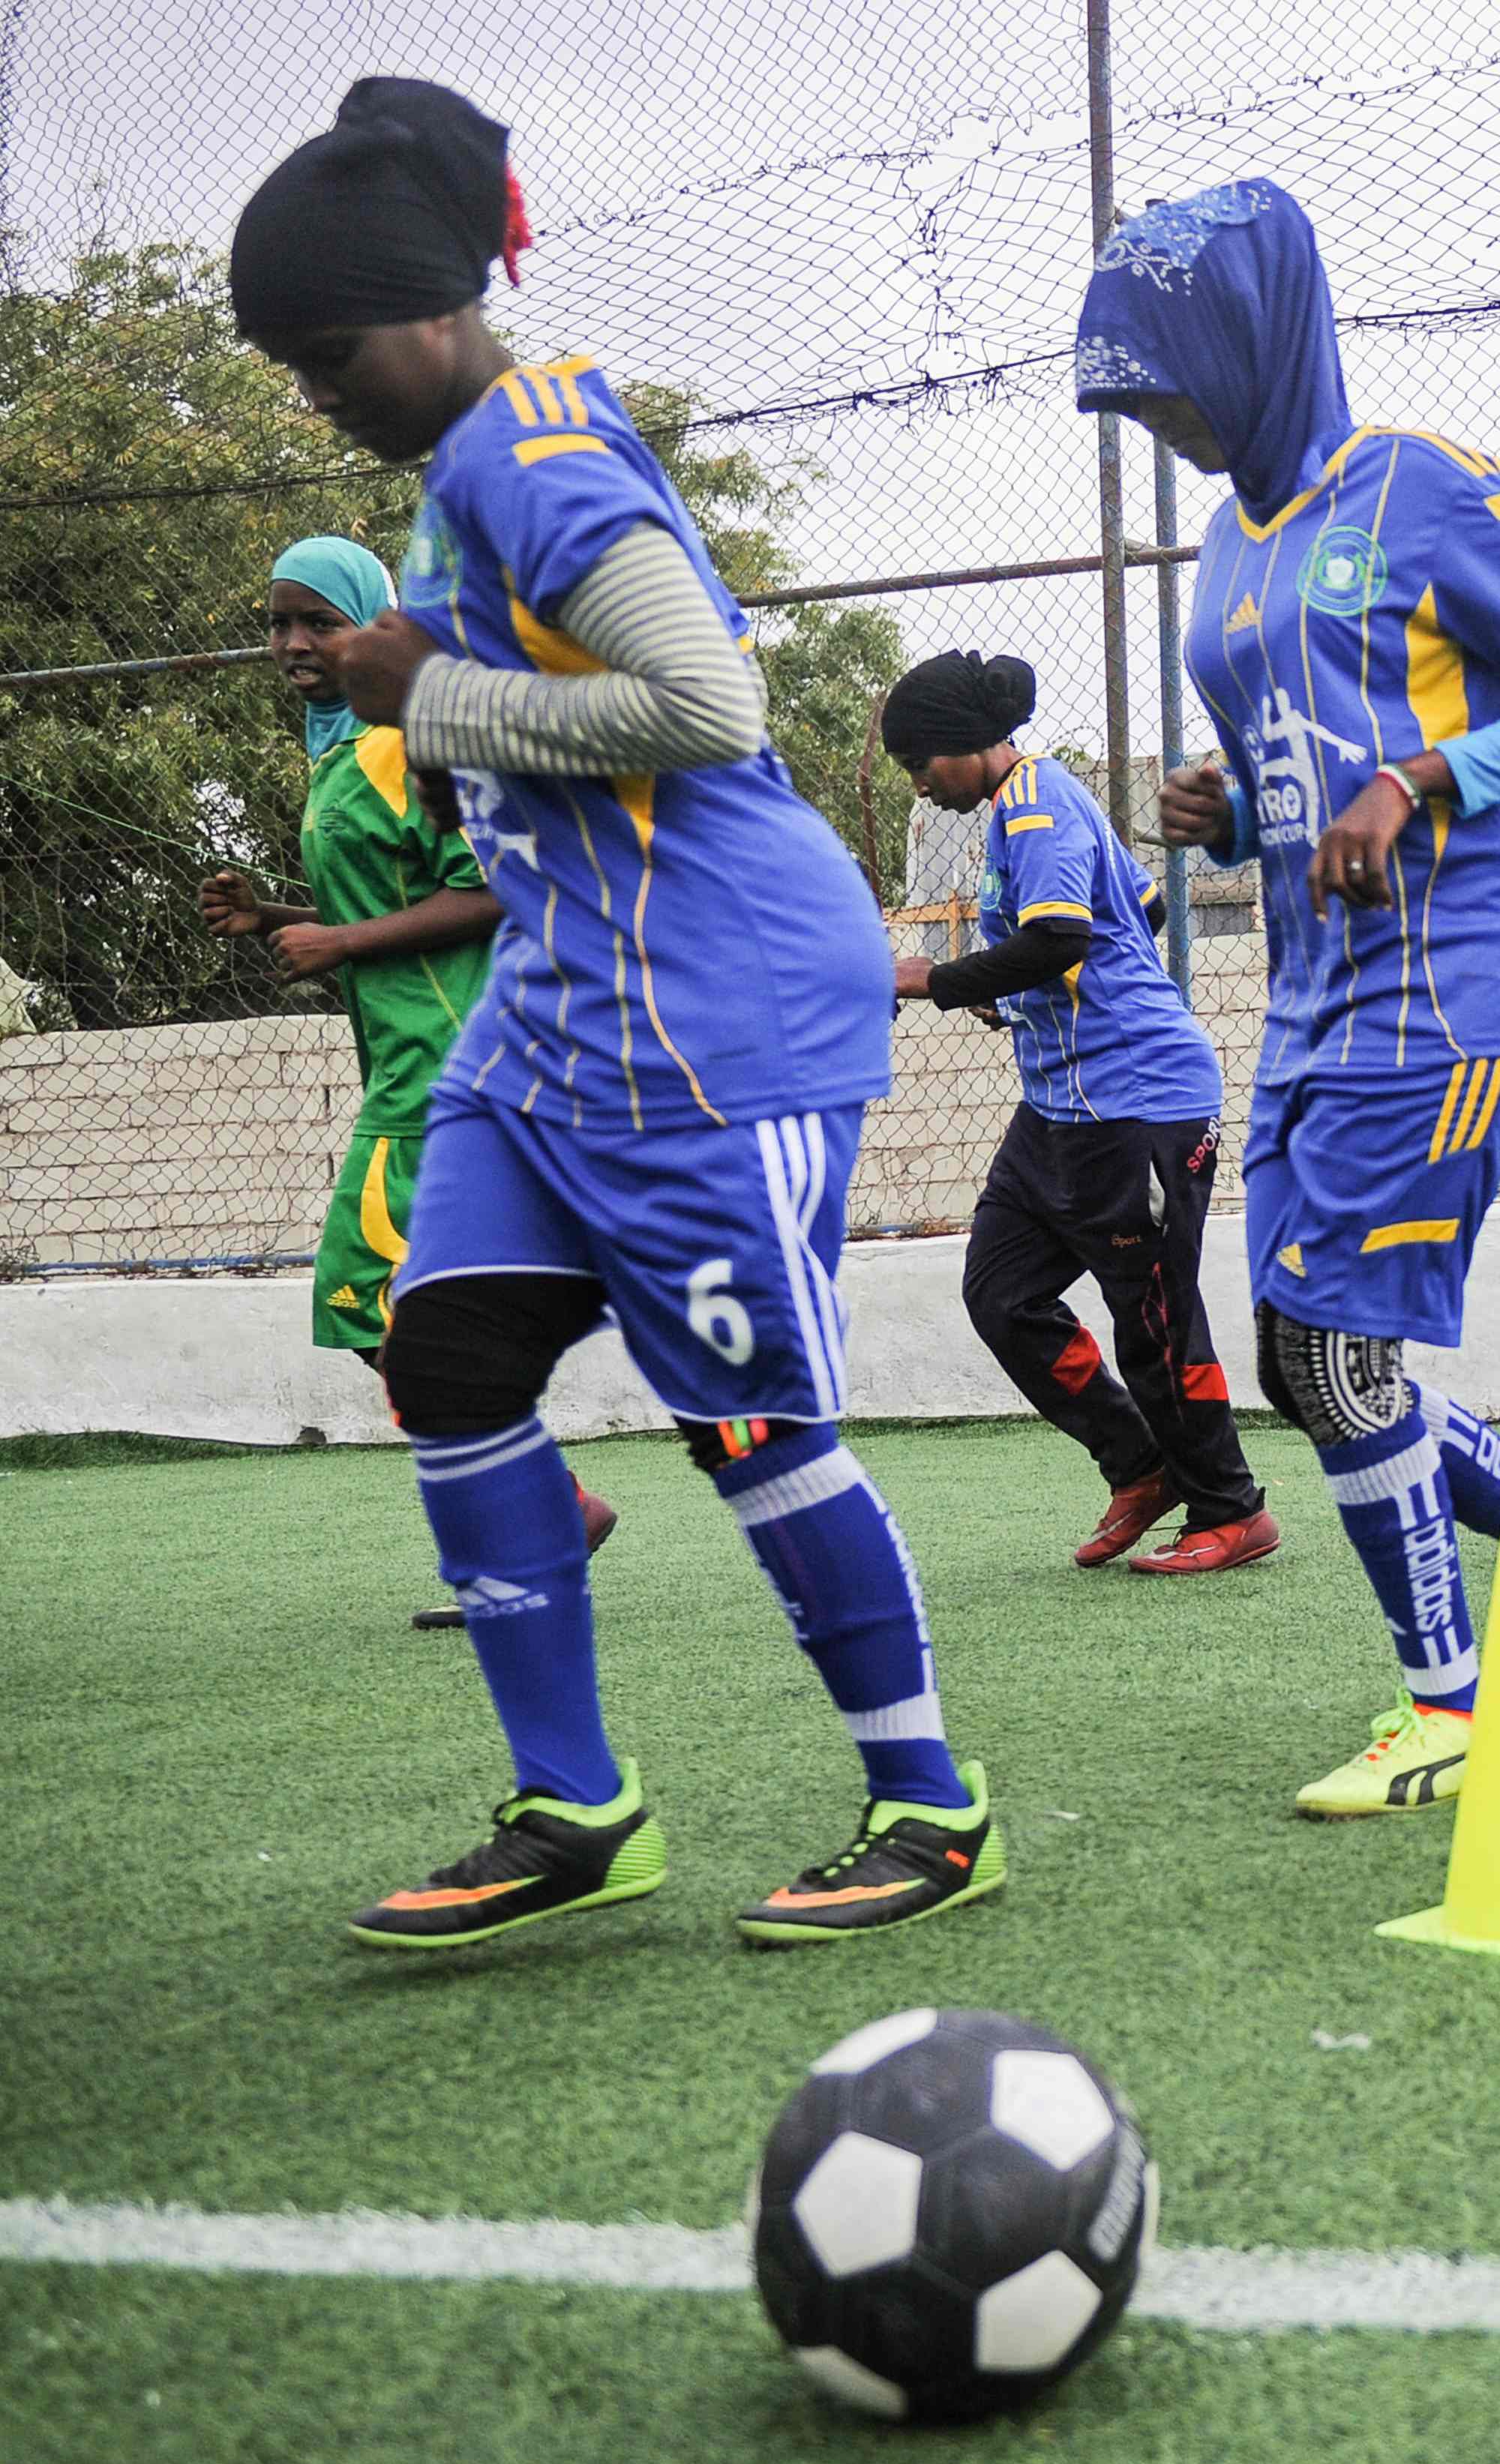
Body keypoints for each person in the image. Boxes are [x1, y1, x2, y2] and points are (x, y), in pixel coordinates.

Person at [232, 77, 998, 1949]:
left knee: (750, 1427)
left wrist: (436, 698)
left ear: (429, 306)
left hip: (715, 1019)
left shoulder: (536, 461)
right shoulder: (469, 462)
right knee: (452, 1366)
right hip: (551, 1018)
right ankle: (577, 1807)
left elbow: (709, 712)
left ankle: (928, 1802)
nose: (315, 393)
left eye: (328, 356)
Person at [1085, 181, 1500, 1817]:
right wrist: (1230, 795)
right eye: (1131, 394)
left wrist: (1423, 777)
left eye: (1171, 378)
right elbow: (1304, 733)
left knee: (1330, 1356)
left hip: (1457, 979)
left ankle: (1457, 1700)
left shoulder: (1425, 487)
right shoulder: (1227, 538)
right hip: (1312, 994)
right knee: (1306, 1361)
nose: (1162, 421)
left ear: (1258, 340)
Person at [199, 532, 620, 1631]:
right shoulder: (341, 748)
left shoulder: (408, 739)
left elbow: (489, 889)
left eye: (317, 621)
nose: (292, 642)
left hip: (442, 1065)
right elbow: (386, 898)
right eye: (278, 622)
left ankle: (546, 1513)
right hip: (407, 1058)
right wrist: (282, 920)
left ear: (370, 620)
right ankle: (543, 1520)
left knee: (364, 1295)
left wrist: (340, 945)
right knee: (412, 1311)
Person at [880, 650, 1274, 1576]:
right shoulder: (1023, 808)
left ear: (956, 746)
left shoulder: (1037, 801)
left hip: (1134, 1102)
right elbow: (1131, 908)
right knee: (1001, 1293)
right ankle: (1140, 1467)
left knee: (1154, 1318)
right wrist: (1009, 992)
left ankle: (1232, 1507)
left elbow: (1061, 935)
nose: (919, 783)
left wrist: (926, 978)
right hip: (1059, 1105)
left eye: (918, 764)